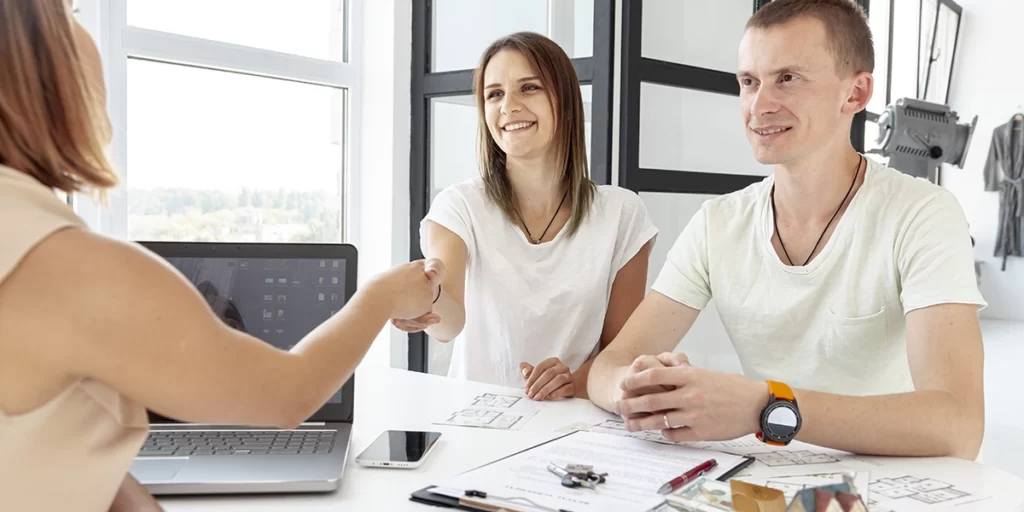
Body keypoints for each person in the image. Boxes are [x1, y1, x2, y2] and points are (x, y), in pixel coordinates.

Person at [0, 2, 444, 511]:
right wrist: (383, 294)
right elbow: (288, 395)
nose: (86, 30)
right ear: (33, 55)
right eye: (72, 12)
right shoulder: (73, 268)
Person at [587, 0, 986, 460]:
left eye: (788, 78)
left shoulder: (923, 214)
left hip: (890, 482)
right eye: (748, 82)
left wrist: (765, 405)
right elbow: (608, 368)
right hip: (766, 479)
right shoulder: (718, 223)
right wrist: (641, 390)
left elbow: (958, 426)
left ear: (855, 95)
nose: (760, 105)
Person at [393, 32, 658, 400]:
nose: (509, 106)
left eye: (529, 88)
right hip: (476, 430)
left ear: (564, 101)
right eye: (494, 94)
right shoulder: (459, 206)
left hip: (581, 427)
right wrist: (427, 301)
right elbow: (449, 323)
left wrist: (572, 383)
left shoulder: (622, 214)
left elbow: (621, 354)